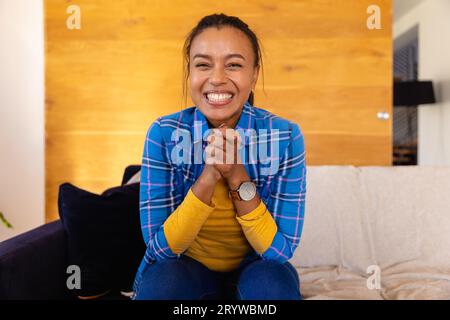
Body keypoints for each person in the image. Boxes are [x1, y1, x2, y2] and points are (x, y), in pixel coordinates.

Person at [132, 13, 306, 300]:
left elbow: (276, 251)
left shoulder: (285, 136)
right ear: (190, 73)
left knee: (271, 285)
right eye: (203, 65)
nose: (216, 79)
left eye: (234, 65)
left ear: (254, 74)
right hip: (186, 266)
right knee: (163, 283)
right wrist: (209, 175)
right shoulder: (163, 133)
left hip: (257, 266)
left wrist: (236, 173)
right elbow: (161, 249)